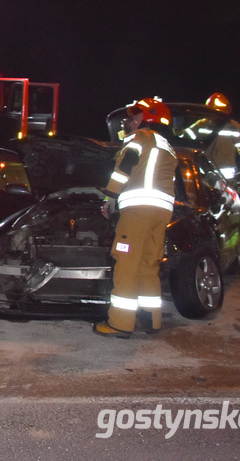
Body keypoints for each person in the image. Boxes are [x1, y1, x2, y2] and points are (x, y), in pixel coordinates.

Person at [95, 98, 178, 338]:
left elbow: (125, 166)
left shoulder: (140, 138)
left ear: (148, 118)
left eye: (135, 116)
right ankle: (150, 320)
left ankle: (120, 324)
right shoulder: (168, 147)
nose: (129, 121)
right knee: (148, 266)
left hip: (138, 211)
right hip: (160, 213)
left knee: (126, 265)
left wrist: (110, 196)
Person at [200, 93, 240, 184]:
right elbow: (184, 139)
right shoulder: (202, 124)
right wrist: (177, 129)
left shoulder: (234, 126)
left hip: (226, 178)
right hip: (206, 174)